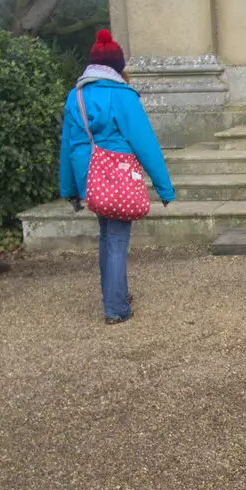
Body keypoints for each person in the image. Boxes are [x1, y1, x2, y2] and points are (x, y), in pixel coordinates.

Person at [58, 31, 175, 325]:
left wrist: (70, 188)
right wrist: (164, 188)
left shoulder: (76, 96)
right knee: (117, 239)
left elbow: (69, 144)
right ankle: (116, 306)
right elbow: (144, 142)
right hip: (118, 175)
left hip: (90, 177)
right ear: (117, 66)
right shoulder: (122, 96)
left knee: (107, 236)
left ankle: (114, 295)